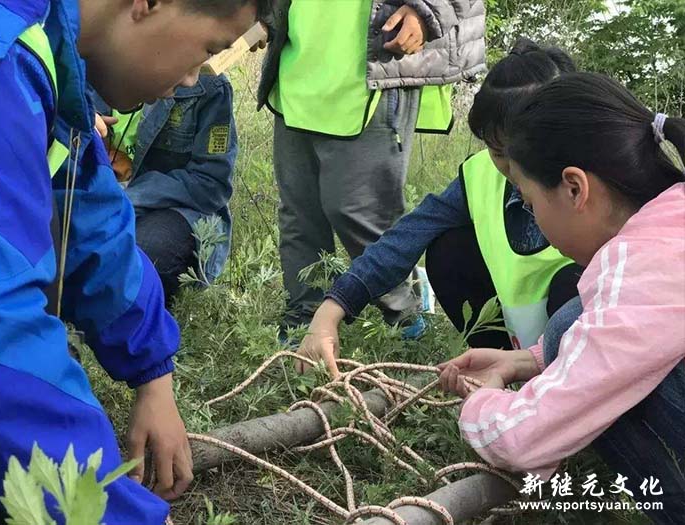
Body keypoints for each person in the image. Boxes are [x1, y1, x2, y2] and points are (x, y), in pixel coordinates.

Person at [0, 0, 267, 522]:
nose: (191, 79)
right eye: (206, 49)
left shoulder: (49, 43)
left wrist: (153, 374)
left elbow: (89, 212)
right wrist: (113, 512)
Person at [438, 72, 685, 524]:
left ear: (574, 188)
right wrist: (526, 360)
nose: (535, 220)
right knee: (569, 322)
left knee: (579, 349)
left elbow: (525, 438)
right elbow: (634, 328)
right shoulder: (672, 218)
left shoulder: (642, 266)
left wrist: (482, 400)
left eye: (531, 203)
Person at [296, 39, 583, 378]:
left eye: (523, 151)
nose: (513, 168)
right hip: (527, 349)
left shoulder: (601, 178)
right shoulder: (480, 176)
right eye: (499, 153)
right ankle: (500, 369)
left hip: (588, 344)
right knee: (449, 250)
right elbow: (408, 236)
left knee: (574, 287)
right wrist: (333, 307)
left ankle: (563, 384)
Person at [258, 0, 487, 339]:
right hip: (298, 61)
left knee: (360, 211)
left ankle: (405, 313)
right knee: (299, 212)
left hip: (378, 64)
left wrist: (426, 10)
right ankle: (304, 320)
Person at [95, 71, 238, 303]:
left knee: (139, 257)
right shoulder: (86, 69)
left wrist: (129, 198)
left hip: (175, 209)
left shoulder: (207, 85)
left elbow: (211, 184)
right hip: (99, 202)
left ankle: (146, 319)